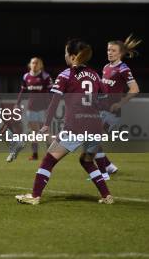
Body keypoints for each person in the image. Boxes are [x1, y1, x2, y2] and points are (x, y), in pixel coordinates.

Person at [16, 39, 113, 205]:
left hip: (75, 126)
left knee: (48, 160)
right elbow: (105, 102)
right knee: (86, 160)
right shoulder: (95, 75)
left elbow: (54, 103)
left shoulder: (66, 74)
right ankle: (107, 196)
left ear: (73, 56)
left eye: (66, 53)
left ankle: (34, 196)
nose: (65, 56)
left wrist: (46, 125)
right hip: (95, 125)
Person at [94, 35, 141, 179]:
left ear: (120, 53)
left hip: (112, 114)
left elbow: (135, 89)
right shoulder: (106, 67)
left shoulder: (123, 69)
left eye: (113, 51)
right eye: (108, 50)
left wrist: (120, 103)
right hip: (102, 110)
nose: (110, 53)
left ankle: (104, 174)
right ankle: (109, 167)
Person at [13, 57, 52, 161]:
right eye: (33, 63)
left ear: (41, 65)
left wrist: (50, 106)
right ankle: (35, 155)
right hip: (31, 108)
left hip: (43, 109)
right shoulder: (26, 76)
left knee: (46, 132)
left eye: (37, 63)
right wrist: (17, 103)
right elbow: (22, 91)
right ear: (30, 65)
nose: (34, 65)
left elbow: (50, 93)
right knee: (34, 132)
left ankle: (50, 155)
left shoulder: (45, 76)